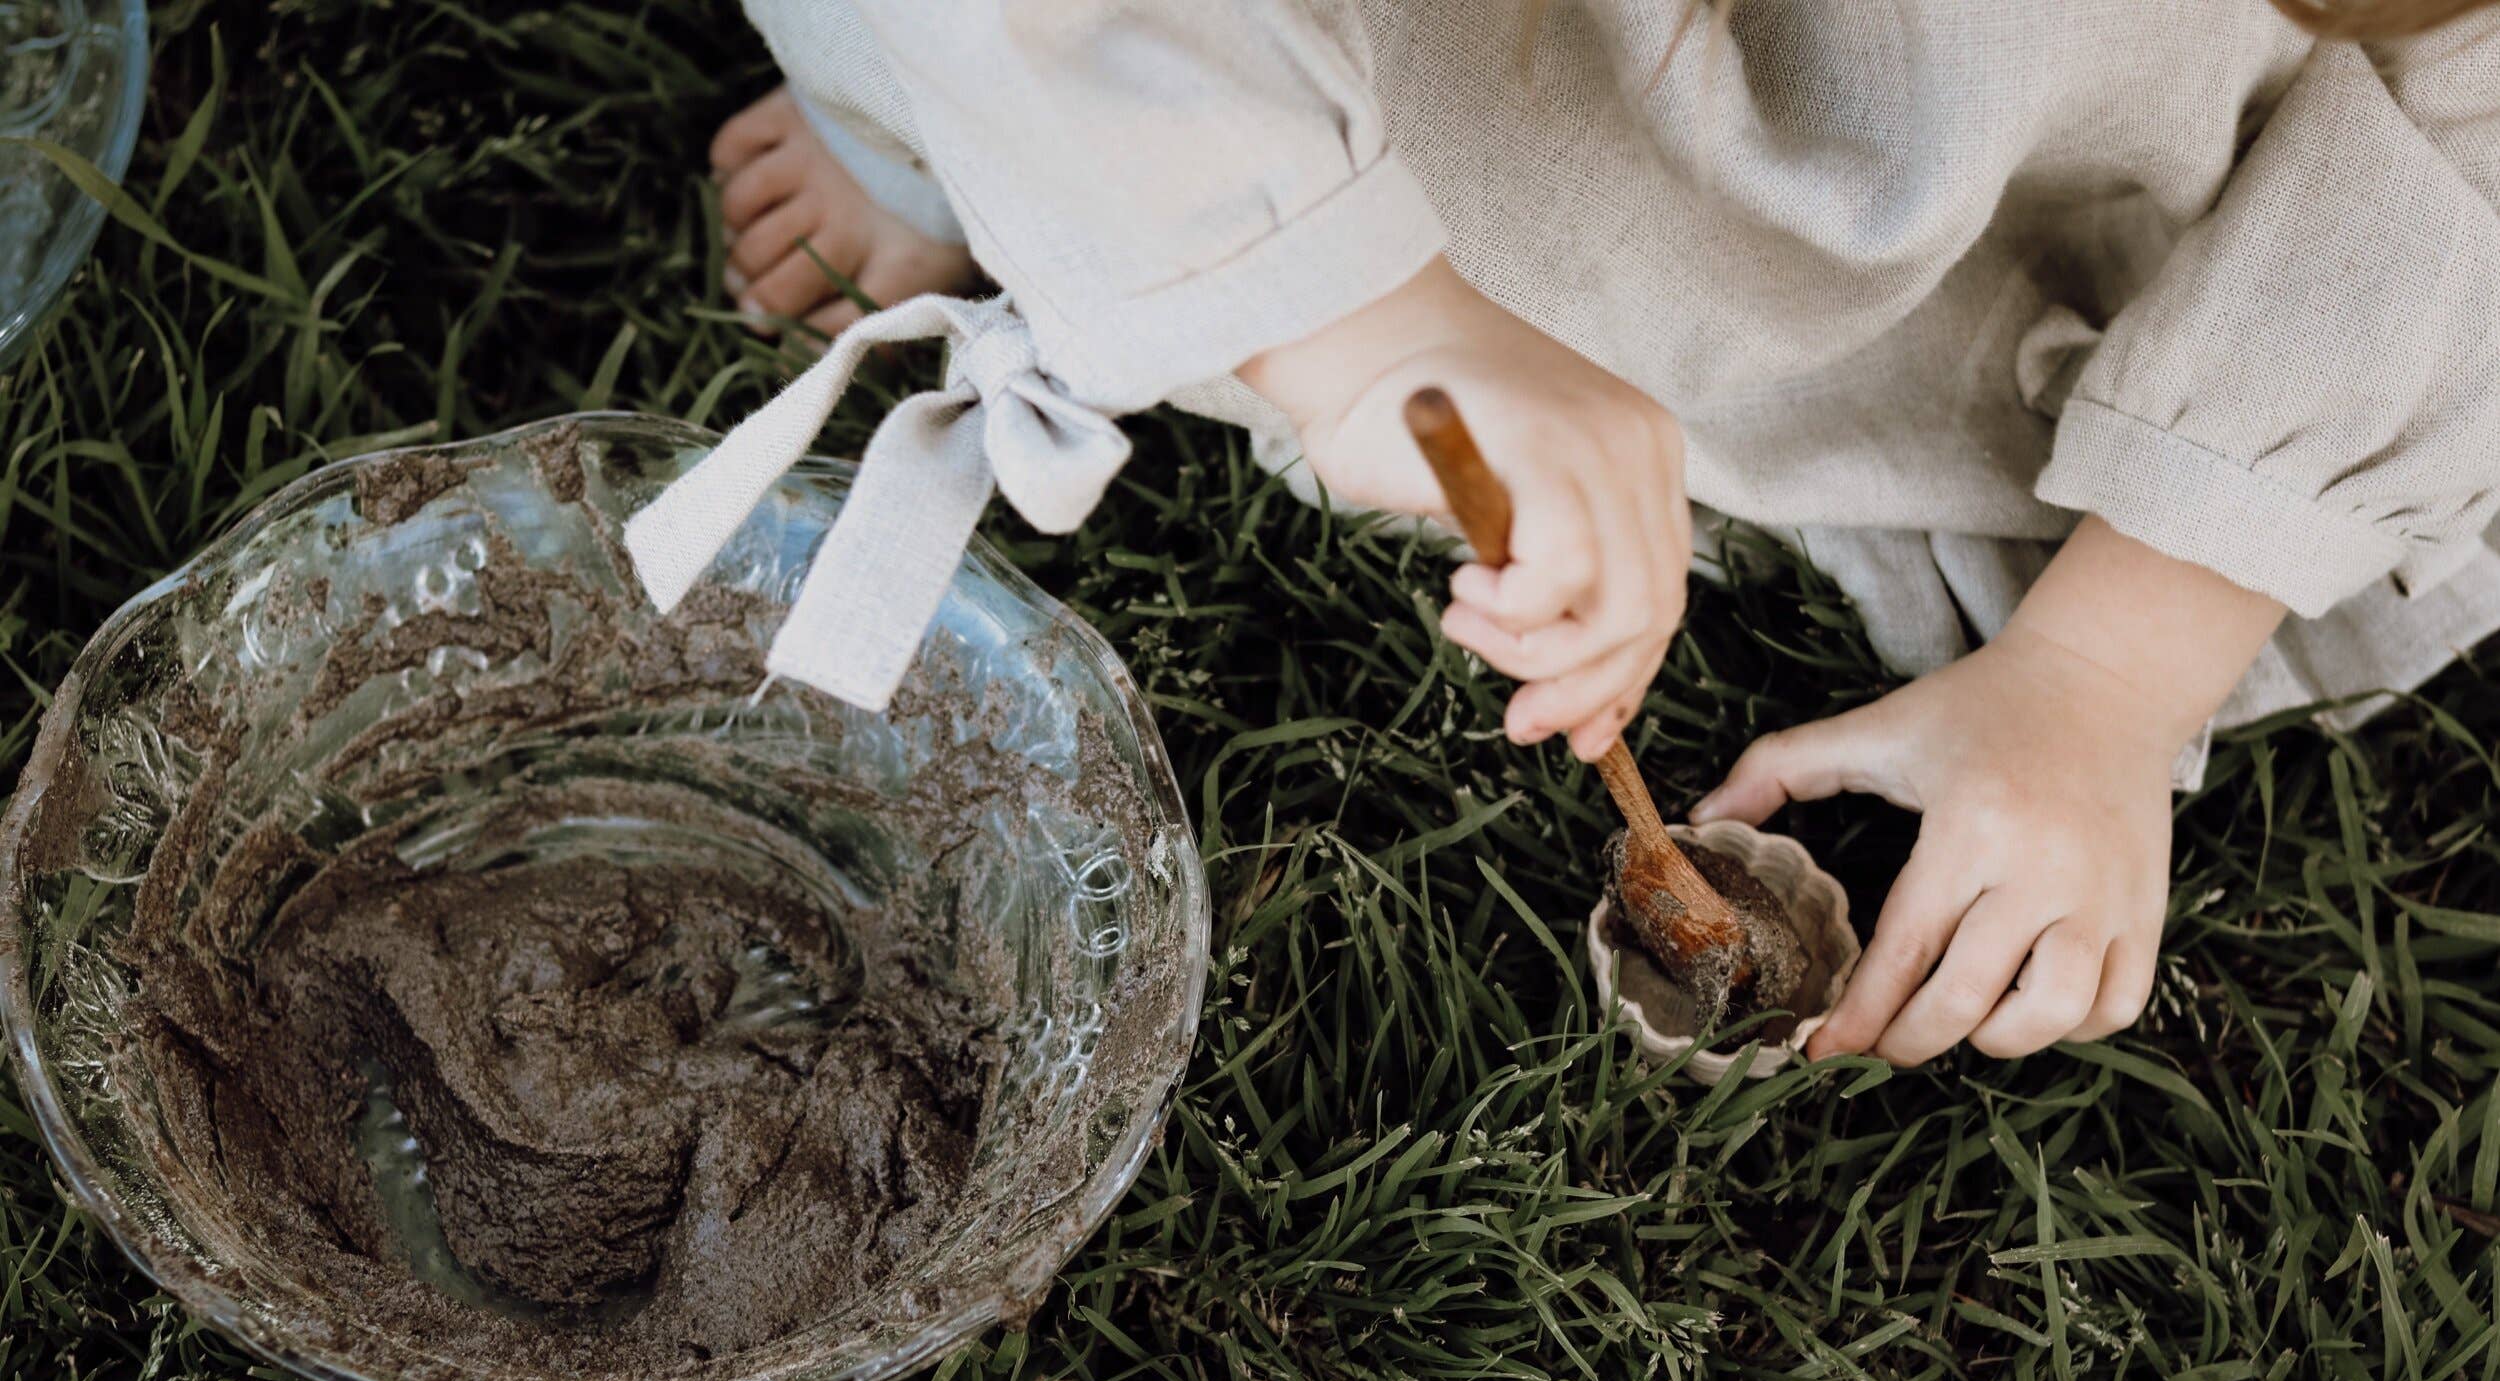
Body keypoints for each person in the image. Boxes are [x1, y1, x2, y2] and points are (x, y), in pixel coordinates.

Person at [695, 0, 2500, 1067]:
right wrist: (1371, 325)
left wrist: (2113, 666)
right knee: (1005, 70)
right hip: (1333, 73)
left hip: (2003, 161)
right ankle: (1004, 151)